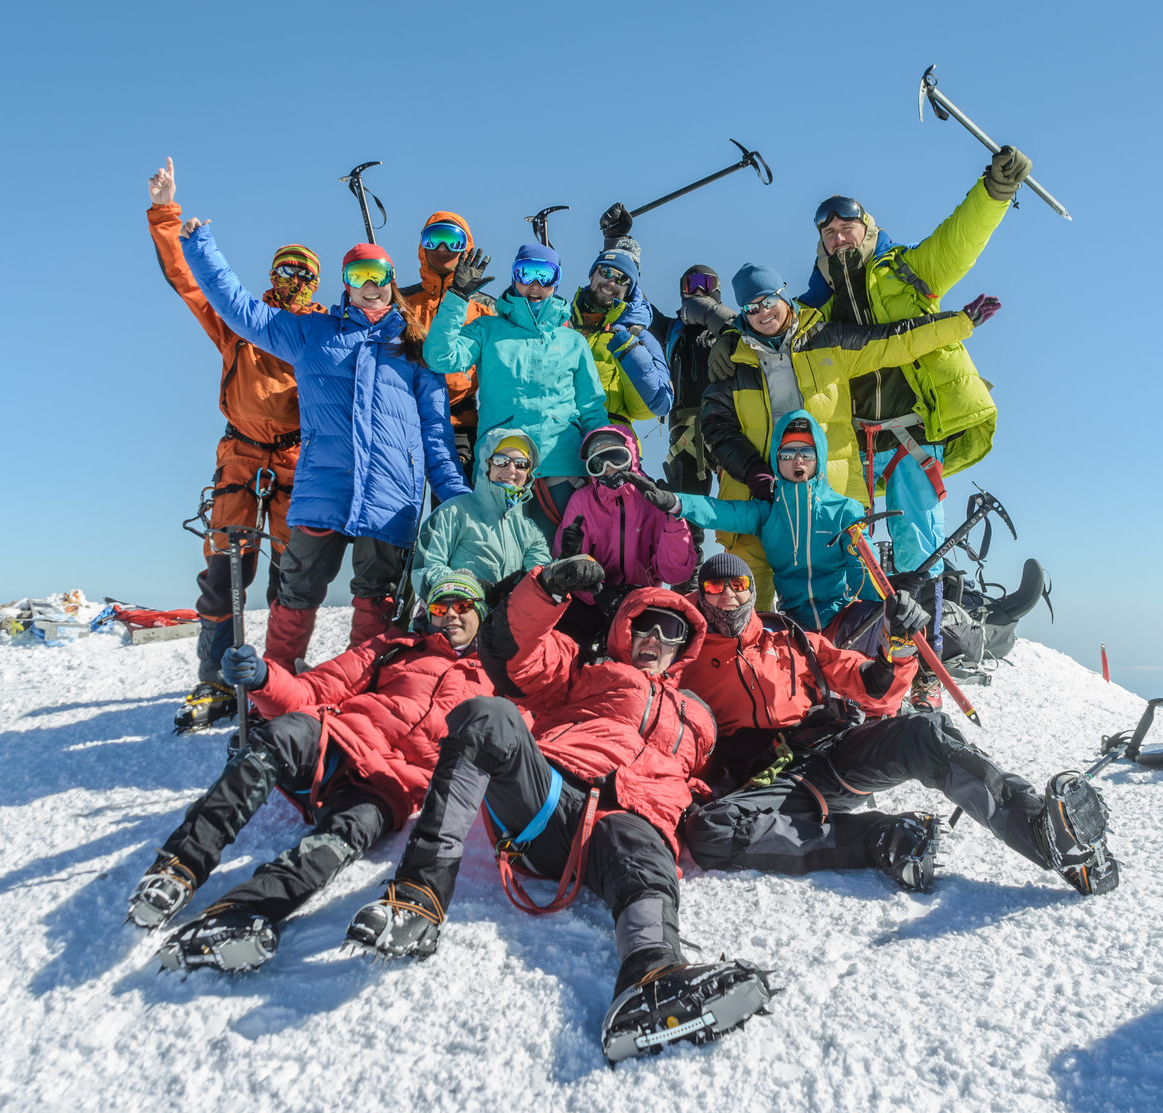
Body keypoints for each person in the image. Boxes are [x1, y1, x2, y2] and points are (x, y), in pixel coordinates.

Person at [342, 557, 772, 1063]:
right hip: (548, 801)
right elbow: (511, 654)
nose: (654, 638)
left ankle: (651, 980)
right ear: (624, 632)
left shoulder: (698, 715)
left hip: (628, 822)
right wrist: (545, 590)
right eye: (642, 626)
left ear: (684, 644)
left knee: (644, 846)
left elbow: (705, 776)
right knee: (488, 714)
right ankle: (418, 896)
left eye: (670, 629)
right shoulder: (585, 670)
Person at [678, 554, 1119, 897]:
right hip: (772, 781)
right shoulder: (684, 661)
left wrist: (900, 647)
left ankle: (1044, 834)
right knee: (710, 833)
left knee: (923, 730)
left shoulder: (791, 639)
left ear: (752, 592)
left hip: (833, 753)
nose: (728, 597)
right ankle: (886, 837)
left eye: (738, 585)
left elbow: (875, 689)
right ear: (700, 593)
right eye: (715, 586)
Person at [128, 573, 495, 972]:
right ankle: (179, 865)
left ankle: (237, 914)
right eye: (441, 607)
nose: (451, 615)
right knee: (283, 733)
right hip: (333, 739)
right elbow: (316, 688)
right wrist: (263, 678)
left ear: (481, 613)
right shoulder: (393, 647)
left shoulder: (496, 681)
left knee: (343, 836)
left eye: (463, 606)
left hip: (390, 786)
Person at [179, 219, 471, 657]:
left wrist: (457, 500)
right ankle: (275, 687)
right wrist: (200, 246)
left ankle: (361, 690)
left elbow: (437, 436)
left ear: (392, 281)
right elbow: (239, 309)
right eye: (359, 276)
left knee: (377, 601)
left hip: (392, 496)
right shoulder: (312, 334)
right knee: (297, 593)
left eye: (379, 276)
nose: (370, 285)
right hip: (322, 488)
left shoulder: (415, 348)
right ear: (346, 285)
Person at [794, 146, 1032, 580]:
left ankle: (924, 622)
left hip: (912, 433)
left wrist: (995, 189)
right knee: (846, 541)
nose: (839, 238)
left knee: (917, 540)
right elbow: (766, 322)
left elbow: (957, 240)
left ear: (866, 230)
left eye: (847, 228)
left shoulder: (906, 269)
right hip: (851, 442)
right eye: (829, 234)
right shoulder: (814, 308)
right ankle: (852, 628)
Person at [699, 264, 996, 607]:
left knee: (843, 598)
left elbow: (895, 341)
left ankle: (864, 656)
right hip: (758, 496)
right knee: (748, 600)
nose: (763, 313)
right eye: (751, 308)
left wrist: (960, 322)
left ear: (783, 293)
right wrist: (755, 473)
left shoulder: (828, 340)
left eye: (768, 301)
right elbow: (716, 428)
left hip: (830, 494)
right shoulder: (733, 362)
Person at [146, 157, 323, 730]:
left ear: (315, 282)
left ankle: (278, 677)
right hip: (243, 454)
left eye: (302, 271)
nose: (292, 278)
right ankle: (215, 679)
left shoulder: (321, 328)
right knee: (226, 570)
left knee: (289, 575)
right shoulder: (243, 321)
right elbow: (190, 284)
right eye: (284, 268)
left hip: (298, 458)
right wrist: (166, 214)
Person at [635, 413, 892, 634]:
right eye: (788, 453)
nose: (798, 460)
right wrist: (676, 502)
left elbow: (863, 568)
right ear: (777, 461)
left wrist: (884, 610)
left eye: (807, 452)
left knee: (879, 633)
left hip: (841, 618)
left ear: (819, 458)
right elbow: (721, 512)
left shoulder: (844, 510)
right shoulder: (769, 512)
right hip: (792, 623)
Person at [422, 243, 609, 526]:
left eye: (544, 275)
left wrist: (602, 454)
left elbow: (592, 409)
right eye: (526, 273)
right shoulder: (488, 330)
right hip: (501, 468)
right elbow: (440, 358)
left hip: (561, 470)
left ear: (557, 281)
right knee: (500, 561)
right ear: (513, 277)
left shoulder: (572, 342)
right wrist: (458, 297)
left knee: (557, 561)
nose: (534, 285)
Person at [552, 426, 696, 648]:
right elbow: (568, 561)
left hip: (644, 604)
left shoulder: (653, 500)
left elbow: (674, 572)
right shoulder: (582, 501)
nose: (609, 469)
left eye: (617, 458)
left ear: (633, 457)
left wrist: (674, 515)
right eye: (599, 464)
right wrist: (597, 593)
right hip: (595, 604)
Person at [647, 265, 737, 581]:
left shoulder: (729, 329)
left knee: (739, 501)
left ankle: (740, 570)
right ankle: (689, 575)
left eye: (705, 283)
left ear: (717, 288)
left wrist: (709, 314)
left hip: (727, 423)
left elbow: (741, 331)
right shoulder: (673, 330)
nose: (697, 289)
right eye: (690, 284)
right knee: (687, 505)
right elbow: (637, 307)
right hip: (686, 431)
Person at [397, 212, 497, 477]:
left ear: (466, 248)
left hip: (459, 420)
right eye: (434, 239)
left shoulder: (485, 307)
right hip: (407, 418)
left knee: (454, 503)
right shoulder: (402, 302)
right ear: (422, 247)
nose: (442, 249)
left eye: (452, 241)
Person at [409, 427, 551, 602]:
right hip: (458, 614)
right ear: (487, 464)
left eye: (521, 463)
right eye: (501, 460)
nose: (511, 469)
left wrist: (561, 569)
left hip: (506, 620)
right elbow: (425, 569)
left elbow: (540, 581)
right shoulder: (453, 512)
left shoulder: (530, 530)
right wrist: (468, 589)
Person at [567, 248, 673, 425]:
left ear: (628, 291)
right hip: (560, 435)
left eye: (622, 279)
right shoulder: (562, 325)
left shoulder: (638, 336)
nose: (611, 282)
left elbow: (656, 406)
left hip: (611, 436)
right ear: (592, 275)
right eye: (606, 272)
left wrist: (629, 352)